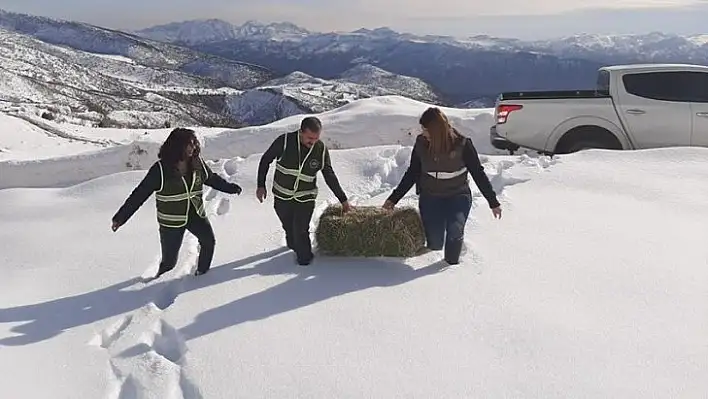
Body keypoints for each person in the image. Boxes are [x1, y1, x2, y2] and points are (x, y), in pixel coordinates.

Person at [111, 128, 243, 278]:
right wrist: (120, 217)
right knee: (169, 262)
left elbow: (211, 178)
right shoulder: (160, 170)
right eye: (189, 144)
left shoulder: (197, 163)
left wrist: (230, 188)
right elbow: (139, 195)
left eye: (194, 143)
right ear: (177, 146)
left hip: (195, 213)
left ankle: (201, 275)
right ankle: (156, 280)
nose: (193, 147)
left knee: (209, 242)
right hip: (171, 221)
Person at [383, 107, 502, 265]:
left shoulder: (463, 144)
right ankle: (438, 241)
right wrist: (393, 199)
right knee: (435, 243)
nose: (423, 133)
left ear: (437, 131)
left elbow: (478, 173)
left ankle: (451, 267)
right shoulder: (421, 143)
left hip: (458, 195)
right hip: (430, 196)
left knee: (455, 229)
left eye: (426, 129)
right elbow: (412, 173)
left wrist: (493, 202)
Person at [256, 116, 351, 266]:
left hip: (305, 198)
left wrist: (343, 200)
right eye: (309, 138)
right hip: (282, 195)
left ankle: (305, 261)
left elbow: (329, 175)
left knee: (301, 230)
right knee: (288, 226)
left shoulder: (320, 149)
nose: (312, 142)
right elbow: (265, 160)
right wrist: (261, 185)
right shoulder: (284, 141)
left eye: (316, 138)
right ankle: (292, 242)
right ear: (301, 132)